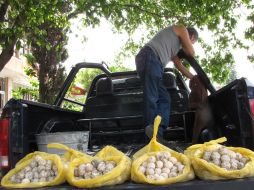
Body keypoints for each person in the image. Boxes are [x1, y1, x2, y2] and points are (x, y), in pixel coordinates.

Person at [135, 25, 199, 143]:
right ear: (192, 37)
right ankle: (151, 140)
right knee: (151, 99)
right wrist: (187, 49)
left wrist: (194, 78)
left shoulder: (174, 48)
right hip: (150, 57)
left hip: (153, 63)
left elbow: (180, 67)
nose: (190, 44)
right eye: (192, 42)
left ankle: (156, 132)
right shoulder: (181, 29)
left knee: (165, 99)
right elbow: (191, 52)